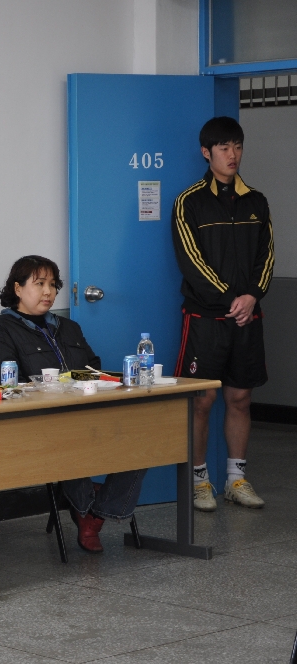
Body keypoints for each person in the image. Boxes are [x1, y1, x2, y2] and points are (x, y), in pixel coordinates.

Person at [0, 256, 147, 553]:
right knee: (68, 436)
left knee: (144, 441)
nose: (48, 291)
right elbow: (3, 382)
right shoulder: (0, 331)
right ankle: (87, 510)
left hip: (88, 414)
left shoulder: (69, 327)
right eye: (39, 284)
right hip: (39, 422)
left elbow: (94, 368)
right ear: (18, 289)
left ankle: (96, 511)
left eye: (53, 285)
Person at [172, 117, 274, 512]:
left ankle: (236, 479)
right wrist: (234, 298)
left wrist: (252, 297)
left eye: (238, 146)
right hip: (205, 319)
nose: (233, 155)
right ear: (206, 152)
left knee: (241, 398)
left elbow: (267, 256)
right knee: (201, 400)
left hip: (247, 318)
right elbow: (192, 262)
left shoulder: (257, 201)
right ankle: (199, 481)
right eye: (224, 148)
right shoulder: (189, 201)